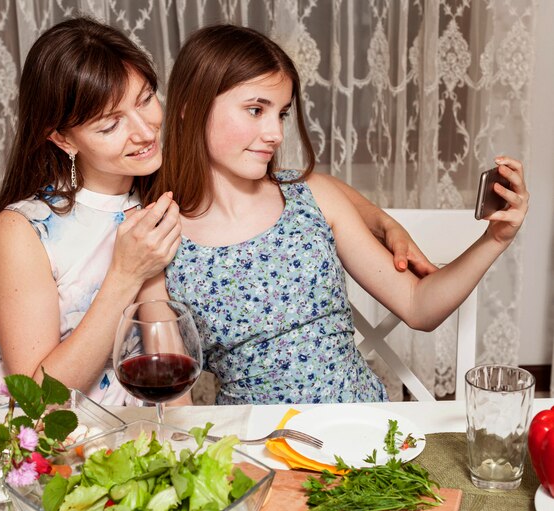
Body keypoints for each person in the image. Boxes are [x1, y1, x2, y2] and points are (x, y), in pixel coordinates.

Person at [0, 18, 426, 411]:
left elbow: (303, 189)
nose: (144, 131)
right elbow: (38, 400)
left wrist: (384, 224)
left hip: (136, 416)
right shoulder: (24, 228)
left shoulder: (163, 190)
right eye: (110, 124)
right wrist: (125, 275)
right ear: (62, 137)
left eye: (146, 98)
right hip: (14, 420)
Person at [141, 24, 529, 405]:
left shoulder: (311, 197)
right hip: (254, 450)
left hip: (360, 432)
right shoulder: (159, 239)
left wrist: (494, 240)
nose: (275, 133)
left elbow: (418, 306)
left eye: (281, 114)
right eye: (256, 110)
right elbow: (173, 405)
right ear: (191, 109)